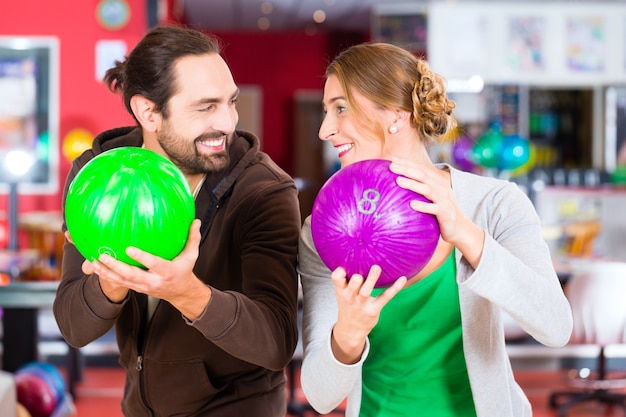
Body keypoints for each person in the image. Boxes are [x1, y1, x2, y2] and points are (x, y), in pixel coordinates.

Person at [298, 42, 573, 417]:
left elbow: (555, 327)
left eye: (340, 108)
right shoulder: (323, 231)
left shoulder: (494, 204)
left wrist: (465, 234)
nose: (324, 130)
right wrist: (347, 334)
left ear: (396, 115)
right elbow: (319, 395)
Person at [53, 25, 301, 416]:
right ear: (148, 111)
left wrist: (187, 293)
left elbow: (276, 342)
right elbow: (74, 326)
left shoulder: (263, 191)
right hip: (140, 406)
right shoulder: (97, 180)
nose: (227, 122)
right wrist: (111, 283)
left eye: (230, 102)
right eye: (206, 107)